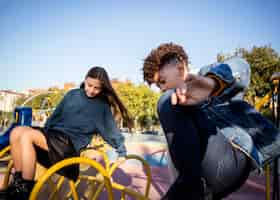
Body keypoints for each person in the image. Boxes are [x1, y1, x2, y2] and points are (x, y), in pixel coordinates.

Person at [142, 43, 280, 200]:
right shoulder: (176, 112)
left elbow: (241, 66)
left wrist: (213, 82)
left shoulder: (205, 76)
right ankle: (190, 188)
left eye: (162, 81)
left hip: (231, 156)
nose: (162, 88)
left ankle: (189, 187)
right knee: (170, 102)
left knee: (168, 100)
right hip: (204, 176)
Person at [0, 66, 133, 200]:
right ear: (85, 80)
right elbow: (54, 117)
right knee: (16, 132)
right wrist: (43, 133)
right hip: (53, 138)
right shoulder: (72, 95)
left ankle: (25, 190)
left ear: (103, 88)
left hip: (68, 148)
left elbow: (111, 131)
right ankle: (17, 184)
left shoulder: (101, 107)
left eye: (96, 88)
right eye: (89, 85)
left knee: (27, 135)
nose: (91, 90)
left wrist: (122, 151)